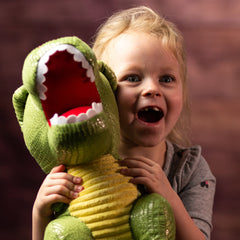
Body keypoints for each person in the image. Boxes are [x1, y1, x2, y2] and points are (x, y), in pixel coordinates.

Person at [32, 6, 216, 240]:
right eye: (132, 78)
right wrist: (40, 213)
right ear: (103, 92)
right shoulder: (79, 166)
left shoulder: (190, 169)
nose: (152, 89)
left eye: (167, 79)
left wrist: (167, 194)